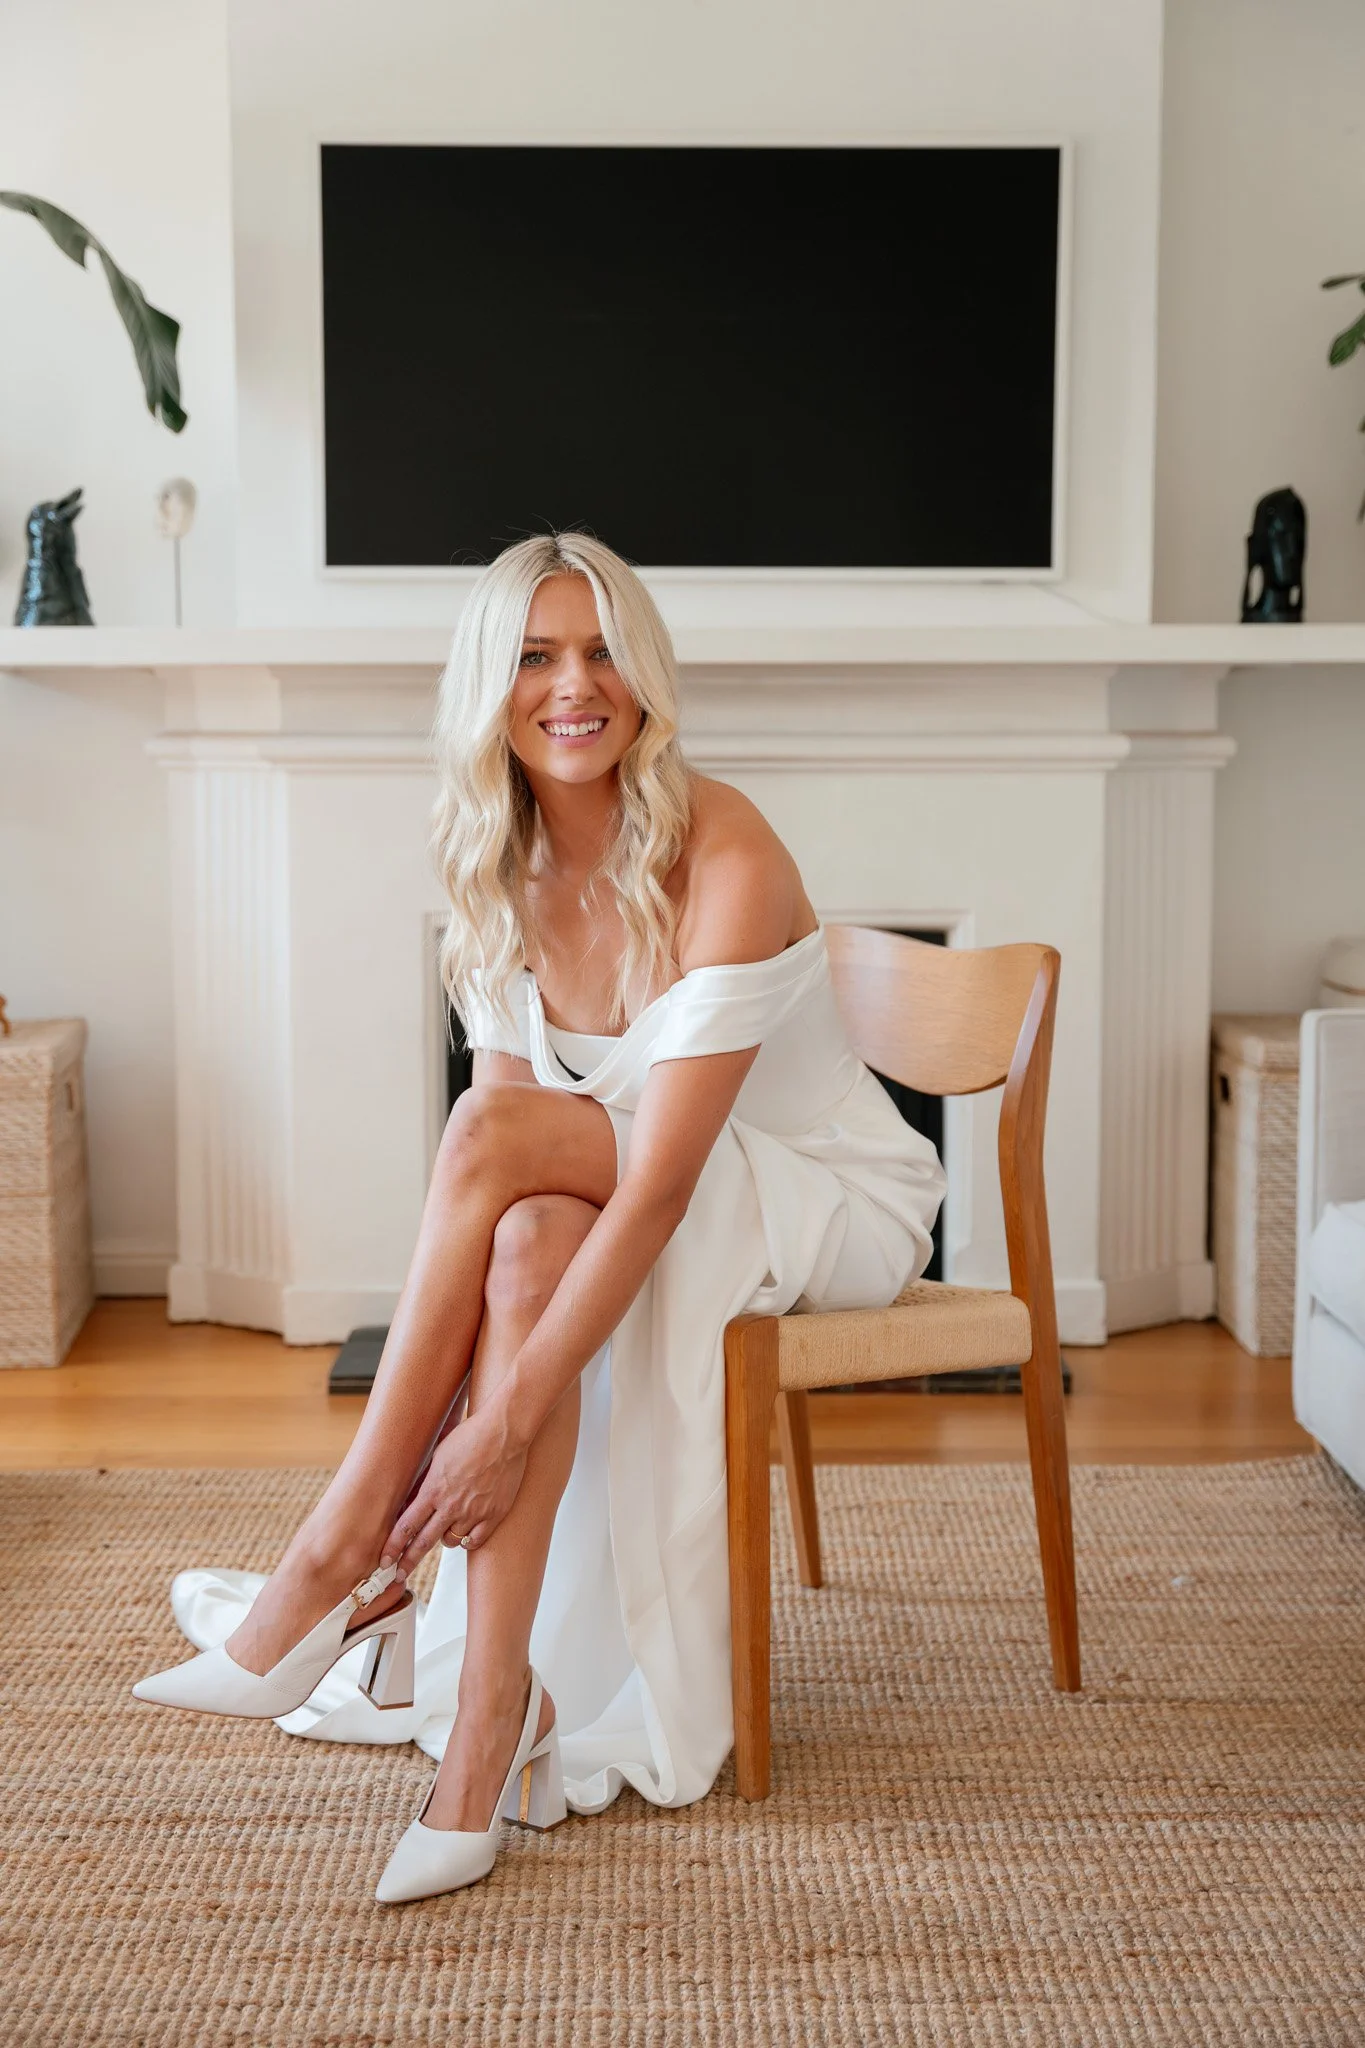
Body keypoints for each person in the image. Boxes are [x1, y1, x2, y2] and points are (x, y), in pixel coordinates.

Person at [133, 533, 946, 1904]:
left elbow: (666, 1180)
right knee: (523, 1242)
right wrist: (482, 1406)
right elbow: (506, 1195)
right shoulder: (496, 871)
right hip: (638, 1197)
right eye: (533, 655)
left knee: (487, 1138)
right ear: (490, 691)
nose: (575, 686)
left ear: (642, 674)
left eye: (600, 649)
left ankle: (333, 1555)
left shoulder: (724, 848)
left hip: (820, 1201)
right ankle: (485, 1739)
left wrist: (502, 1423)